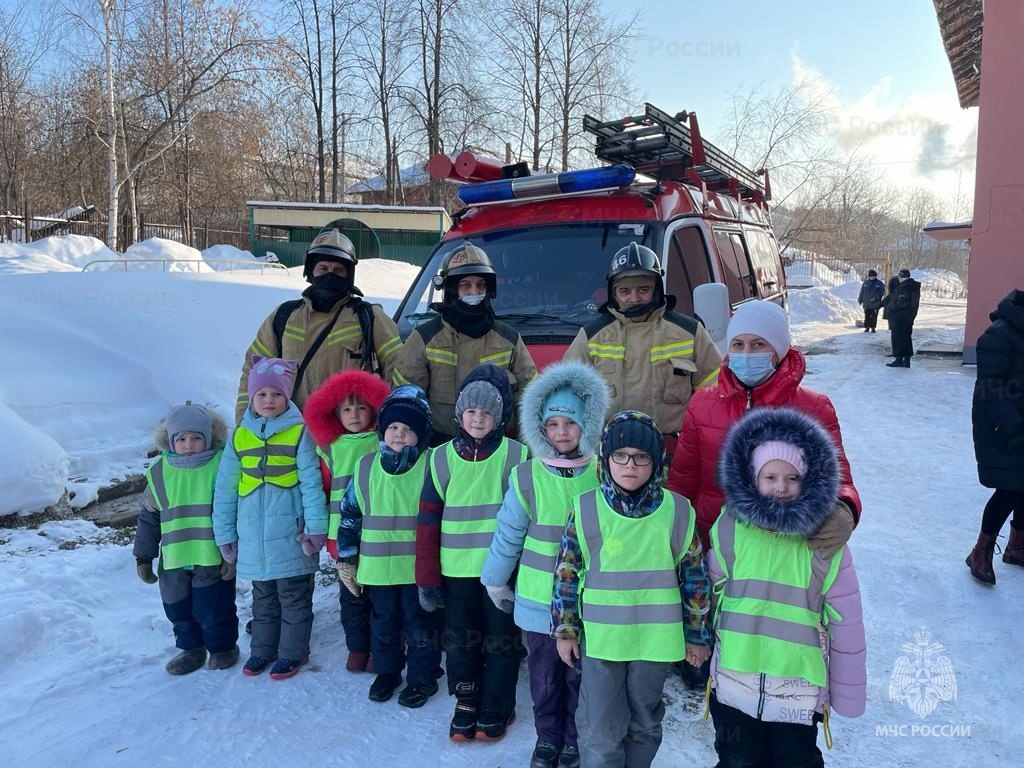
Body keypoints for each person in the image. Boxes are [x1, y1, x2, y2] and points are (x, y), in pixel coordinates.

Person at [666, 299, 861, 687]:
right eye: (738, 345)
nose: (747, 354)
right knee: (717, 638)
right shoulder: (703, 404)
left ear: (780, 349)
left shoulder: (813, 407)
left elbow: (839, 478)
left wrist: (844, 509)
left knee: (765, 649)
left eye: (759, 345)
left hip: (779, 552)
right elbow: (683, 479)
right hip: (714, 545)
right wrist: (673, 534)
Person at [552, 411, 711, 768]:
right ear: (606, 460)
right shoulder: (587, 508)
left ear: (656, 463)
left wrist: (697, 636)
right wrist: (566, 630)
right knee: (600, 726)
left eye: (642, 457)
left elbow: (697, 580)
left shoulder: (678, 511)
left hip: (655, 644)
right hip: (603, 642)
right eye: (619, 456)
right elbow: (566, 573)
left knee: (644, 722)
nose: (630, 465)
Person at [709, 406, 866, 768]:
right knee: (736, 758)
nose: (781, 487)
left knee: (795, 761)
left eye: (792, 478)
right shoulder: (730, 530)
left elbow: (848, 625)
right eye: (771, 477)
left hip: (798, 692)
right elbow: (712, 597)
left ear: (808, 481)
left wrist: (847, 695)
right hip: (735, 683)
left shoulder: (826, 545)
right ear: (752, 479)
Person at [480, 361, 610, 768]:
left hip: (588, 603)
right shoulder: (526, 477)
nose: (561, 433)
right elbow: (508, 535)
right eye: (552, 425)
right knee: (544, 678)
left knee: (580, 678)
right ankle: (547, 740)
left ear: (586, 426)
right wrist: (495, 581)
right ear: (540, 429)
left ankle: (573, 739)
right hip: (537, 602)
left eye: (570, 424)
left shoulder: (602, 474)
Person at [415, 363, 529, 742]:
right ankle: (466, 699)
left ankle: (498, 704)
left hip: (501, 574)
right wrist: (427, 578)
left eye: (487, 412)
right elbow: (428, 523)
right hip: (456, 573)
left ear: (500, 417)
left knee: (502, 640)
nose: (478, 420)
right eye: (471, 411)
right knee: (461, 640)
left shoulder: (516, 456)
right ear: (459, 414)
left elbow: (527, 518)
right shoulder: (440, 457)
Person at [213, 356, 328, 680]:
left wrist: (317, 528)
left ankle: (293, 653)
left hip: (289, 532)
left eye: (276, 394)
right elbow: (225, 489)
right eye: (262, 394)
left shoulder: (298, 433)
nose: (269, 400)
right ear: (251, 397)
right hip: (252, 535)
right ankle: (263, 650)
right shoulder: (240, 436)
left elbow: (311, 481)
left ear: (287, 396)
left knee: (293, 596)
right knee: (262, 597)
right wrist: (225, 534)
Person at [334, 384, 444, 707]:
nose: (399, 435)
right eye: (393, 427)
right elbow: (350, 515)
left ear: (421, 436)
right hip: (378, 571)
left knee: (421, 625)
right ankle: (388, 672)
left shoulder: (430, 466)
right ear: (383, 430)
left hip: (416, 572)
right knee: (384, 623)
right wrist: (347, 558)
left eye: (409, 430)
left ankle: (423, 678)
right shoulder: (366, 467)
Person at [563, 242, 721, 452]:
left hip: (674, 452)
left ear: (657, 289)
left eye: (643, 289)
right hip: (611, 453)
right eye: (625, 291)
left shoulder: (689, 332)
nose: (634, 298)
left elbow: (715, 391)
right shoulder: (592, 336)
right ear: (613, 293)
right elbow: (567, 396)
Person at [233, 228, 402, 422]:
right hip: (290, 435)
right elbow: (253, 371)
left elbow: (399, 371)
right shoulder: (284, 317)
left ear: (349, 276)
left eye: (339, 270)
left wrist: (392, 424)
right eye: (323, 268)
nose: (330, 275)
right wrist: (244, 425)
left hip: (346, 439)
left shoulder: (370, 318)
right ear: (310, 271)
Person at [133, 401, 239, 675]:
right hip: (174, 558)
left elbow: (235, 510)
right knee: (178, 607)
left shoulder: (221, 466)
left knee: (214, 607)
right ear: (171, 441)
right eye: (182, 439)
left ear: (209, 438)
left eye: (196, 438)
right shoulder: (159, 472)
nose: (189, 444)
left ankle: (223, 647)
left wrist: (234, 553)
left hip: (211, 556)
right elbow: (148, 518)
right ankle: (191, 649)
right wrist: (143, 557)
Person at [392, 244, 537, 444]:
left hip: (495, 453)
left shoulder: (509, 339)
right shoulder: (424, 339)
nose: (474, 291)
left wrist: (527, 450)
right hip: (438, 451)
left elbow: (529, 401)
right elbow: (405, 403)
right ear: (451, 289)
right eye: (465, 285)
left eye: (480, 285)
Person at [304, 369, 391, 671]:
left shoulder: (384, 443)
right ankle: (357, 647)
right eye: (347, 409)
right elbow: (321, 489)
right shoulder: (329, 448)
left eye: (361, 407)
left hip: (377, 530)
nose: (354, 415)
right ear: (335, 413)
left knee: (380, 595)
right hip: (341, 531)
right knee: (351, 593)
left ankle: (381, 648)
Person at [966, 289, 1024, 585]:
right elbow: (991, 388)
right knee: (1010, 489)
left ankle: (1017, 546)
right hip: (1004, 427)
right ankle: (980, 551)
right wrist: (1013, 428)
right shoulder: (1000, 334)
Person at [882, 268, 921, 368]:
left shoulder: (905, 287)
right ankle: (906, 360)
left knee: (899, 338)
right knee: (906, 338)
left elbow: (902, 303)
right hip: (908, 317)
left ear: (902, 277)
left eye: (899, 276)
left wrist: (892, 308)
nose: (898, 278)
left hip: (901, 317)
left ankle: (899, 359)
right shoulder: (911, 286)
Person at [857, 268, 885, 333]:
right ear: (869, 276)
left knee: (874, 316)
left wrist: (876, 298)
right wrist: (860, 299)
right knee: (867, 316)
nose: (873, 277)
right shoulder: (865, 283)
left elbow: (881, 292)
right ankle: (867, 327)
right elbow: (862, 292)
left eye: (874, 276)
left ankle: (873, 328)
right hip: (866, 303)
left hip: (875, 303)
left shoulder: (879, 283)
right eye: (871, 276)